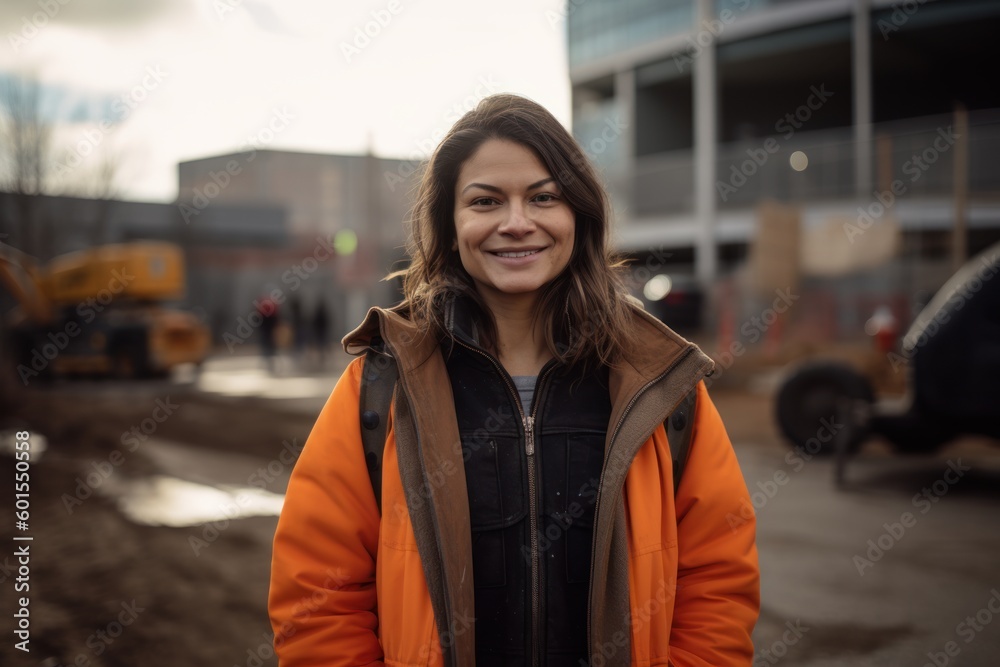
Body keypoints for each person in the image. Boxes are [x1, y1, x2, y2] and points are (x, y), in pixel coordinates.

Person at [268, 94, 760, 666]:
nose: (517, 222)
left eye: (544, 197)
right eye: (485, 201)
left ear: (579, 214)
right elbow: (317, 597)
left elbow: (718, 583)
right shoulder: (379, 388)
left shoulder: (660, 384)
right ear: (450, 228)